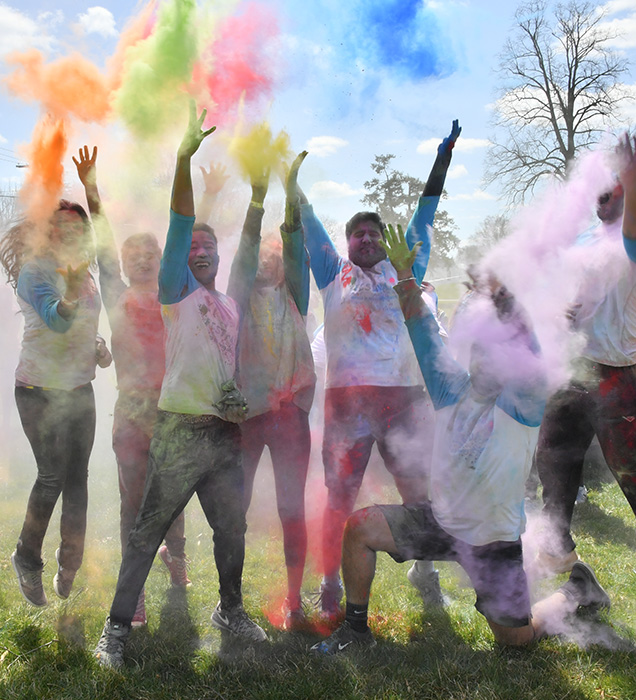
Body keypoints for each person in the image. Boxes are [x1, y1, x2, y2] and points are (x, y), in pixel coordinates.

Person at [311, 224, 610, 653]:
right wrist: (405, 276)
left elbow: (531, 352)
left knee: (517, 641)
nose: (487, 359)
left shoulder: (521, 405)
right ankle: (356, 632)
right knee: (360, 528)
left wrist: (509, 300)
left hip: (493, 541)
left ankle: (577, 589)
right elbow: (419, 326)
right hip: (441, 523)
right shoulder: (451, 388)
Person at [95, 103, 268, 668]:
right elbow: (178, 226)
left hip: (222, 436)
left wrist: (236, 400)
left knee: (231, 529)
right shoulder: (176, 295)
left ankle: (230, 610)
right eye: (192, 248)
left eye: (207, 247)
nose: (200, 251)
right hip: (175, 432)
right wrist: (182, 160)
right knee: (147, 531)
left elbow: (222, 362)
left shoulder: (227, 305)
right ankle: (115, 631)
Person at [300, 121, 461, 618]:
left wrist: (443, 160)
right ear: (346, 244)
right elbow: (308, 227)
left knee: (417, 489)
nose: (367, 238)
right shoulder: (333, 275)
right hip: (347, 401)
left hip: (405, 398)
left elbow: (427, 211)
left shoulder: (404, 262)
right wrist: (292, 188)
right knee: (339, 495)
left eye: (373, 232)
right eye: (358, 234)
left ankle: (424, 569)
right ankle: (329, 579)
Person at [535, 133, 636, 635]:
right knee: (552, 461)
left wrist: (634, 186)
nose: (605, 193)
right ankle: (563, 557)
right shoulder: (585, 240)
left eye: (615, 187)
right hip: (575, 372)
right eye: (601, 186)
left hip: (621, 377)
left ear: (628, 190)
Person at [73, 146, 190, 628]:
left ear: (161, 261)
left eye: (150, 255)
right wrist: (92, 191)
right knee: (132, 504)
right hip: (132, 412)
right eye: (132, 256)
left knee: (173, 497)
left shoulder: (173, 295)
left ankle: (177, 558)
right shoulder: (117, 294)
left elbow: (185, 239)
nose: (141, 260)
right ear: (122, 265)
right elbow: (101, 246)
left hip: (175, 410)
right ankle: (134, 588)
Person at [0, 200, 111, 606]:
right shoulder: (35, 271)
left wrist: (98, 346)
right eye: (61, 226)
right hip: (38, 391)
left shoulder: (86, 273)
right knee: (52, 477)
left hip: (80, 388)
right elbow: (57, 319)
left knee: (77, 478)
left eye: (78, 227)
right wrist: (68, 295)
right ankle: (27, 559)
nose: (70, 233)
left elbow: (83, 326)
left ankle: (71, 561)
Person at [234, 153, 316, 630]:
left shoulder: (296, 296)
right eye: (262, 255)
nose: (269, 261)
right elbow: (243, 255)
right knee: (236, 506)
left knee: (291, 507)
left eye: (276, 255)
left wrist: (290, 192)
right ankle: (232, 600)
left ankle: (294, 600)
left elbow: (294, 238)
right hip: (247, 415)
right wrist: (257, 198)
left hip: (289, 416)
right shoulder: (239, 300)